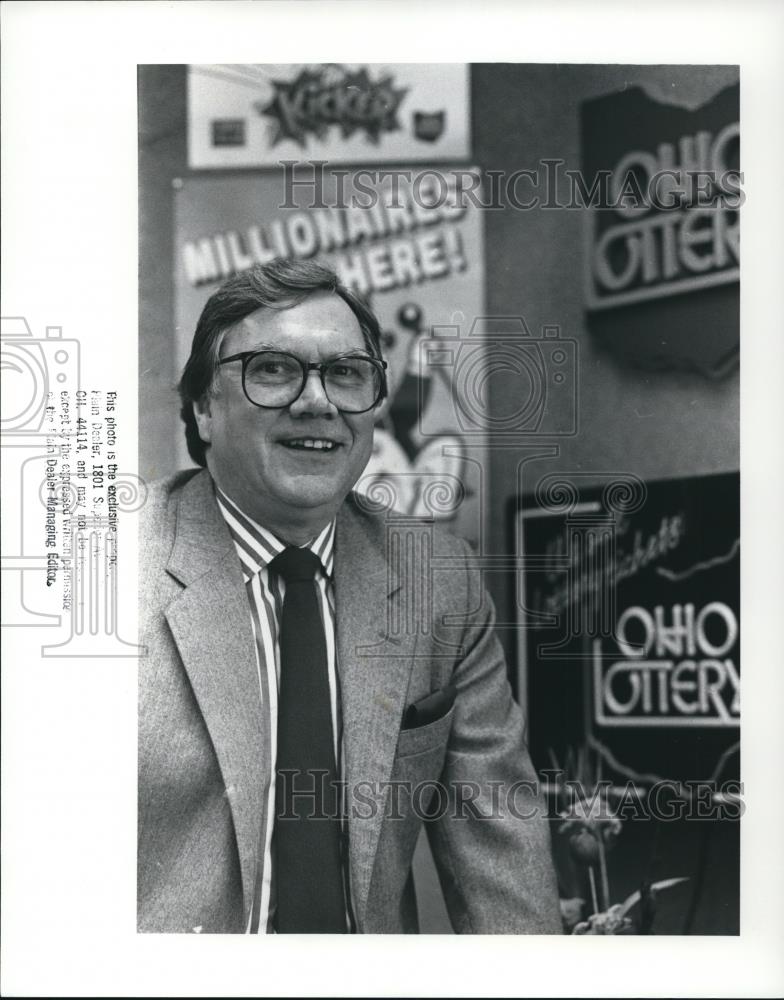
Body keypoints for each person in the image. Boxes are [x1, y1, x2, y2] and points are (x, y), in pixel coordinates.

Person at [138, 258, 562, 934]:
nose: (319, 402)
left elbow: (502, 861)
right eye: (272, 369)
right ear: (202, 407)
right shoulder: (99, 571)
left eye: (346, 373)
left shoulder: (439, 581)